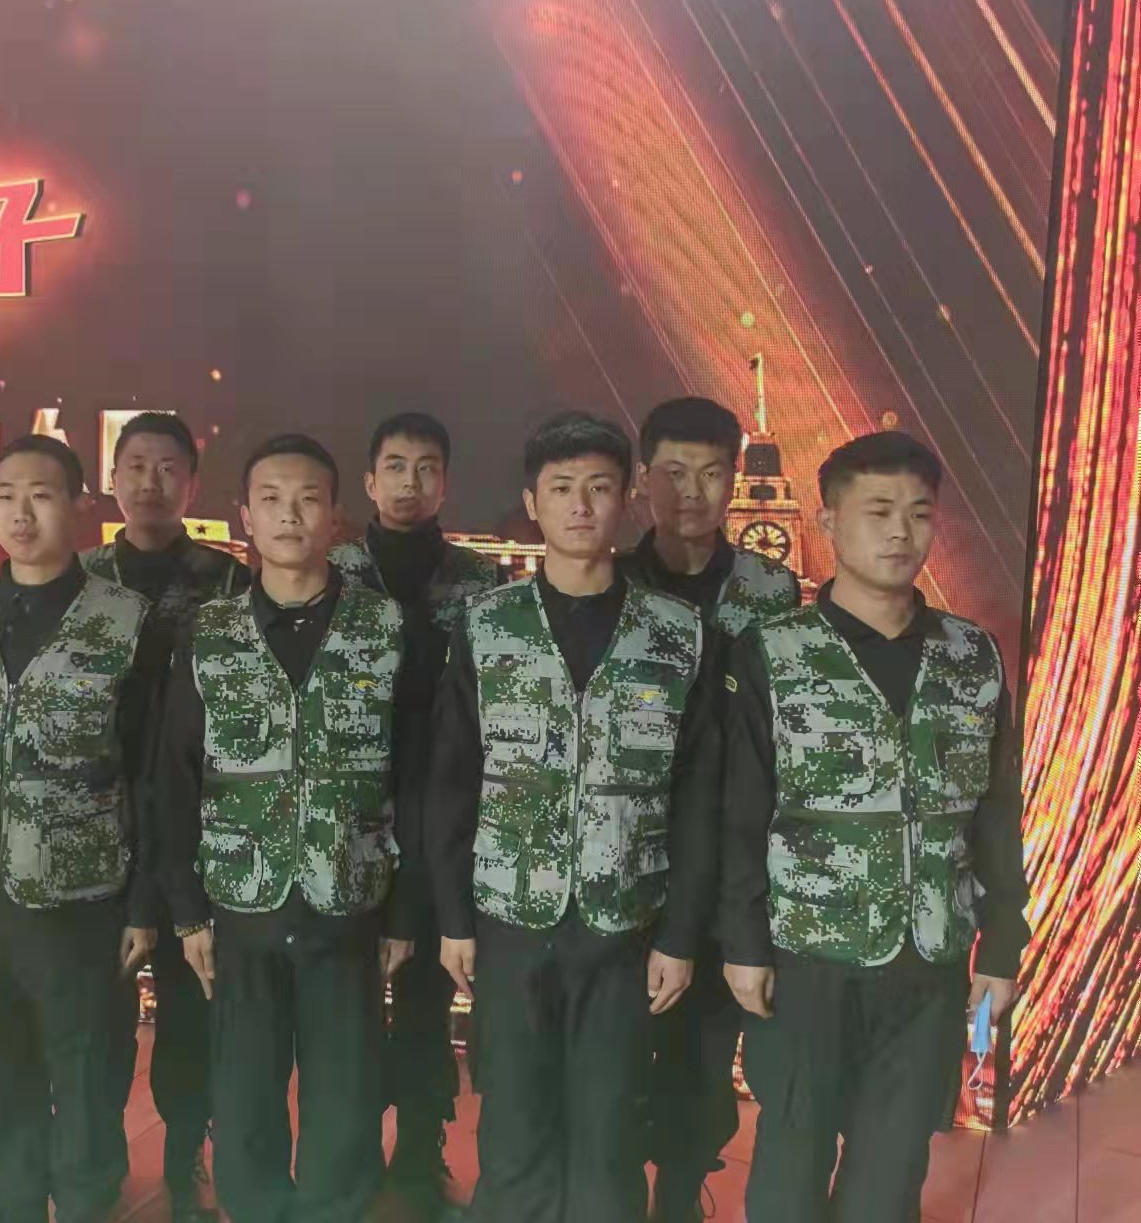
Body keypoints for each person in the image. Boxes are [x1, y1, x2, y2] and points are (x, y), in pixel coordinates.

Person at [720, 432, 1030, 1222]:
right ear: (829, 522)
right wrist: (744, 943)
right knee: (789, 1171)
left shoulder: (972, 655)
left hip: (928, 961)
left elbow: (996, 811)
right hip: (806, 959)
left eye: (919, 513)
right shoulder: (774, 652)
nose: (900, 531)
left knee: (891, 1177)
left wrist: (1001, 944)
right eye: (878, 511)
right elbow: (741, 812)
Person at [428, 411, 723, 1223]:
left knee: (609, 1133)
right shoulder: (487, 626)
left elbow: (698, 796)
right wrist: (452, 916)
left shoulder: (676, 634)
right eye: (562, 488)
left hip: (624, 923)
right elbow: (450, 782)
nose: (582, 506)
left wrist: (680, 935)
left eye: (599, 487)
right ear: (533, 502)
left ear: (628, 500)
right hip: (509, 919)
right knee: (514, 1124)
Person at [157, 434, 420, 1223]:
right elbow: (173, 776)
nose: (289, 514)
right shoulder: (209, 632)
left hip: (350, 899)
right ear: (245, 515)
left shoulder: (388, 628)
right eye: (271, 499)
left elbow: (416, 775)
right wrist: (187, 911)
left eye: (308, 498)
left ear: (336, 515)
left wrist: (405, 913)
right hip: (241, 903)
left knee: (346, 1095)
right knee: (243, 1092)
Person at [0, 434, 158, 1223]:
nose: (21, 513)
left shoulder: (127, 622)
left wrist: (144, 901)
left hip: (82, 893)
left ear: (79, 505)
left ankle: (86, 1199)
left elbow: (154, 773)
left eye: (42, 495)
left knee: (86, 1063)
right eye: (5, 495)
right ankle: (15, 1197)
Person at [618, 396, 799, 1221]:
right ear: (642, 479)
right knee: (621, 1051)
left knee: (702, 1051)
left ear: (733, 480)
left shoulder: (771, 590)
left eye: (711, 473)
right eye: (673, 472)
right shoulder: (612, 582)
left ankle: (681, 1191)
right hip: (627, 853)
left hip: (730, 853)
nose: (691, 491)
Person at [329, 411, 500, 1216]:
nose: (409, 481)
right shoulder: (330, 570)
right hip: (342, 816)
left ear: (445, 483)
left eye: (426, 467)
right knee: (348, 997)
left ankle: (422, 1146)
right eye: (394, 465)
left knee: (428, 994)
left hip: (439, 815)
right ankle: (350, 1144)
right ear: (369, 479)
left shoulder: (482, 582)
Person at [82, 412, 247, 1221]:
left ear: (193, 483)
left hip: (192, 825)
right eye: (136, 465)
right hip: (92, 822)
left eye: (168, 467)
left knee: (192, 1011)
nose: (150, 482)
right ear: (111, 477)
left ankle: (187, 1157)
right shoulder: (78, 578)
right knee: (98, 1009)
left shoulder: (228, 583)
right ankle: (97, 1156)